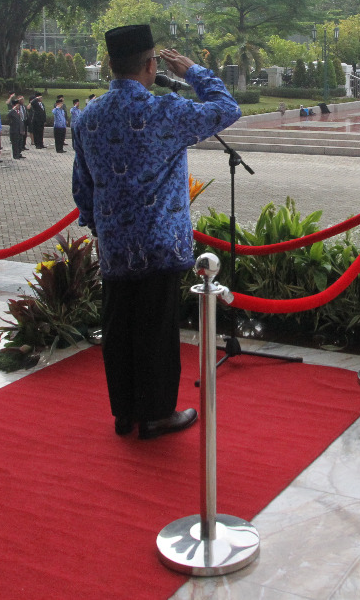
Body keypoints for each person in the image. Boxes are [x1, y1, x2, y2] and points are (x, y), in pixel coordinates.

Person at [72, 24, 240, 440]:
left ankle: (124, 413)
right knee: (156, 331)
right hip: (160, 245)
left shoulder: (87, 116)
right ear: (151, 65)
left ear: (111, 65)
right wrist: (193, 71)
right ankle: (157, 414)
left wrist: (100, 226)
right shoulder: (164, 112)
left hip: (114, 245)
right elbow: (226, 107)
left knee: (119, 328)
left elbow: (83, 185)